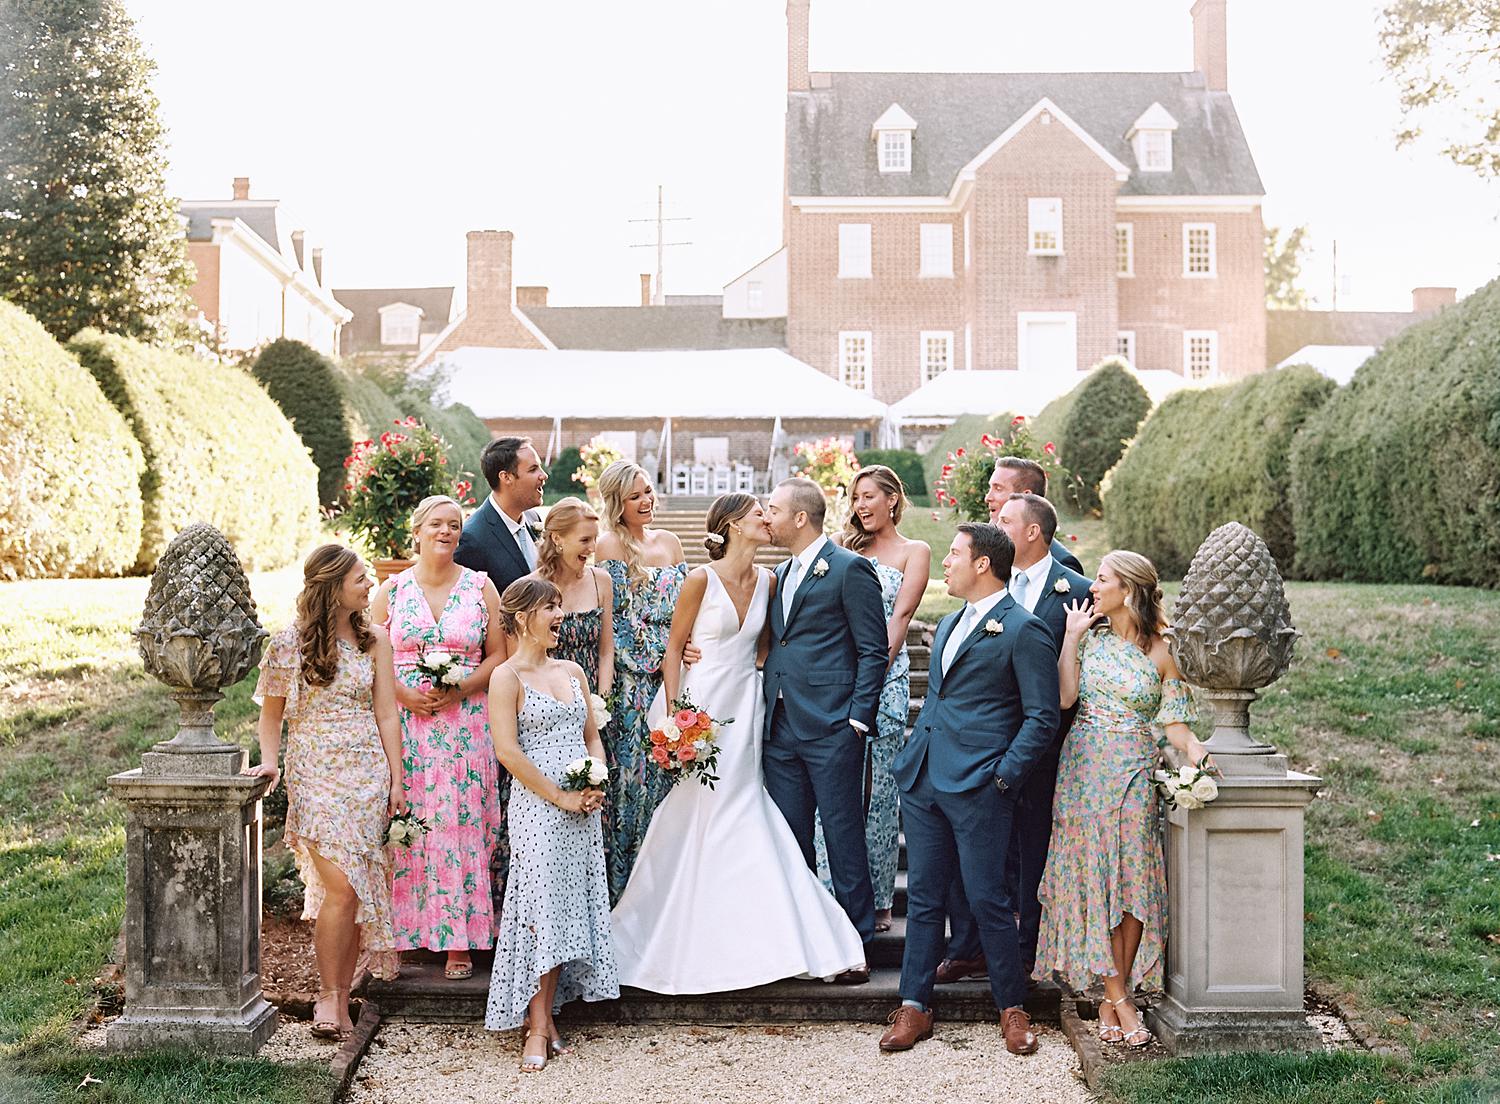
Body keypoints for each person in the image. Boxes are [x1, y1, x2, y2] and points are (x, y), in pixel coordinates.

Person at [611, 494, 865, 992]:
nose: (766, 520)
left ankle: (771, 936)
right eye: (757, 515)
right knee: (703, 809)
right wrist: (675, 719)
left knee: (745, 802)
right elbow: (671, 653)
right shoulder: (699, 579)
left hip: (749, 705)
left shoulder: (771, 580)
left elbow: (769, 647)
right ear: (732, 525)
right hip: (702, 703)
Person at [880, 523, 1059, 1057]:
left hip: (982, 784)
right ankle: (914, 1005)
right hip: (925, 779)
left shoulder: (1024, 630)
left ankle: (1012, 1007)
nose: (947, 563)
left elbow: (1042, 716)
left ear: (984, 564)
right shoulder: (953, 620)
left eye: (955, 554)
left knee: (988, 899)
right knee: (927, 901)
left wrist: (1003, 777)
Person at [1034, 550, 1208, 1048]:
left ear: (1128, 591)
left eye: (1103, 579)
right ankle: (1120, 996)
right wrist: (1070, 640)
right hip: (1083, 770)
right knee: (1094, 880)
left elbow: (1175, 725)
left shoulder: (1162, 650)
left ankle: (1116, 994)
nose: (1093, 586)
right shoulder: (1092, 640)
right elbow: (1066, 699)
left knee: (1132, 882)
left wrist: (1198, 754)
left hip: (1134, 770)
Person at [249, 544, 404, 1040]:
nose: (369, 585)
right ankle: (329, 995)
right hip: (316, 774)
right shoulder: (286, 645)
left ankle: (339, 993)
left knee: (355, 887)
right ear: (332, 586)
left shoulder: (376, 640)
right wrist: (270, 762)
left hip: (367, 775)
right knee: (339, 886)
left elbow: (386, 713)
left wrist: (398, 779)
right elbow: (271, 714)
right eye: (360, 578)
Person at [935, 492, 1091, 985]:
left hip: (1042, 749)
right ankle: (966, 946)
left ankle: (1026, 950)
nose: (994, 524)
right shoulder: (976, 593)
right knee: (971, 857)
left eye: (1004, 519)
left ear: (1032, 532)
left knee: (1031, 849)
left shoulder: (1077, 590)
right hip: (977, 751)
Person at [484, 578, 618, 1072]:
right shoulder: (506, 677)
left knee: (565, 908)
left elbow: (591, 737)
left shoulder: (573, 671)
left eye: (560, 606)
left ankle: (545, 1017)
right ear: (521, 617)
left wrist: (595, 780)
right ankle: (537, 1027)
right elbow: (507, 751)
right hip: (539, 806)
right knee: (540, 909)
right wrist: (559, 794)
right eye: (550, 607)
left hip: (581, 807)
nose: (560, 614)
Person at [375, 495, 506, 981]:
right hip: (407, 725)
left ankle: (459, 940)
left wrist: (462, 687)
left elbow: (499, 655)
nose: (447, 532)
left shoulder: (480, 587)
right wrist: (403, 695)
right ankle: (409, 932)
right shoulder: (390, 592)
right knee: (409, 820)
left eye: (454, 525)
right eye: (437, 524)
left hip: (467, 722)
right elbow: (371, 659)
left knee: (461, 824)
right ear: (418, 531)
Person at [762, 476, 889, 975]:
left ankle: (855, 944)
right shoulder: (778, 573)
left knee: (842, 836)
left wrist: (857, 719)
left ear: (800, 517)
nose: (765, 516)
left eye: (772, 509)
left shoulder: (849, 569)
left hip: (834, 726)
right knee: (792, 842)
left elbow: (872, 649)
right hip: (780, 726)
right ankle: (807, 941)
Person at [813, 465, 929, 933]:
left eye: (868, 497)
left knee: (881, 790)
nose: (860, 506)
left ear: (892, 500)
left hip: (886, 679)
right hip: (840, 680)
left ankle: (880, 897)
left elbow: (900, 619)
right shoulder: (841, 549)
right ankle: (826, 889)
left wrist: (871, 677)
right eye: (855, 498)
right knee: (834, 788)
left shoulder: (914, 552)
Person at [595, 459, 693, 903]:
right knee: (634, 779)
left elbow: (690, 605)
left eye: (649, 491)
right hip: (633, 683)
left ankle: (671, 891)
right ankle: (627, 892)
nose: (646, 501)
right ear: (617, 502)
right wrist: (660, 654)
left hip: (679, 674)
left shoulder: (671, 543)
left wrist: (688, 642)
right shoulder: (607, 546)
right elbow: (613, 622)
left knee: (674, 773)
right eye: (635, 496)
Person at [528, 496, 615, 696]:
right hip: (548, 697)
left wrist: (603, 703)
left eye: (595, 539)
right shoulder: (531, 588)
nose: (593, 548)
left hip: (595, 694)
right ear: (557, 538)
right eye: (584, 540)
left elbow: (606, 651)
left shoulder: (601, 581)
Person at [454, 436, 549, 593]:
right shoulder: (473, 539)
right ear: (506, 477)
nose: (543, 475)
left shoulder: (534, 518)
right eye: (533, 469)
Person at [984, 456, 1084, 574]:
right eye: (990, 488)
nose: (987, 498)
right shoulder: (985, 552)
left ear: (1025, 496)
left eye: (998, 488)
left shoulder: (1063, 564)